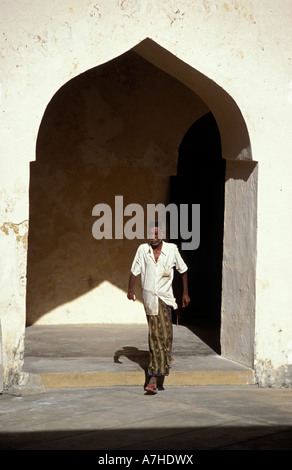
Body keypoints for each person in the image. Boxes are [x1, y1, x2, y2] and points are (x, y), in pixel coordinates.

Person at [127, 221, 191, 393]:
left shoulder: (171, 250)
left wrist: (185, 293)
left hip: (165, 298)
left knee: (161, 335)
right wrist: (130, 290)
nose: (153, 237)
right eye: (150, 234)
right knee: (158, 334)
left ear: (162, 235)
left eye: (156, 234)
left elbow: (183, 271)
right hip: (149, 299)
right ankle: (160, 365)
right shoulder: (143, 250)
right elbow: (134, 271)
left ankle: (154, 376)